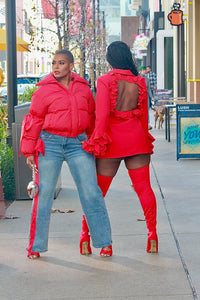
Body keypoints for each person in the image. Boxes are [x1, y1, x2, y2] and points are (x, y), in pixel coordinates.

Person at [20, 49, 112, 259]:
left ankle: (104, 242)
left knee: (91, 192)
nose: (56, 66)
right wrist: (29, 150)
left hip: (78, 143)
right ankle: (35, 246)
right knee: (43, 195)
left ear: (71, 65)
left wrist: (93, 142)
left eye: (61, 62)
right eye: (53, 62)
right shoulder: (43, 90)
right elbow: (34, 119)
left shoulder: (84, 89)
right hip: (49, 143)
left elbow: (91, 117)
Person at [81, 41, 158, 254]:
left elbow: (103, 114)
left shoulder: (105, 81)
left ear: (110, 59)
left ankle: (86, 237)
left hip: (111, 142)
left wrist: (95, 139)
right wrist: (143, 137)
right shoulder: (140, 82)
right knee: (144, 189)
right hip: (137, 140)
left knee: (97, 193)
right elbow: (144, 116)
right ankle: (152, 234)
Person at [139, 66, 153, 130]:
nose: (144, 71)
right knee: (140, 109)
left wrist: (151, 97)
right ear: (140, 71)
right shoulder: (138, 78)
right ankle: (140, 123)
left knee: (146, 110)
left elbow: (149, 89)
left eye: (145, 70)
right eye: (143, 70)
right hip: (139, 96)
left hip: (146, 96)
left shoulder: (147, 79)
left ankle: (147, 123)